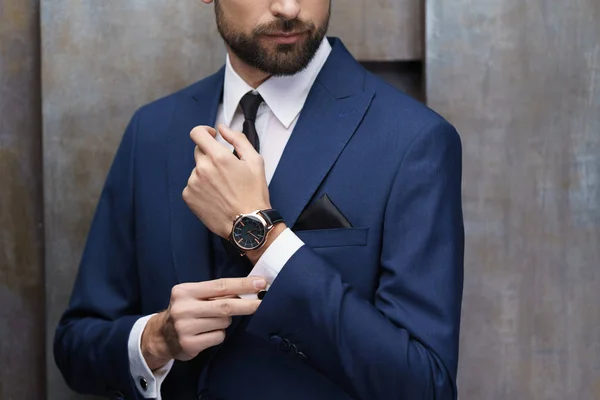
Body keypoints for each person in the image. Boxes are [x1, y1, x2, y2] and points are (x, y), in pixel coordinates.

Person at [54, 0, 464, 399]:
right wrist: (155, 340)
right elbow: (76, 347)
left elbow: (425, 385)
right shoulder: (153, 130)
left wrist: (262, 234)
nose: (289, 8)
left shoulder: (414, 140)